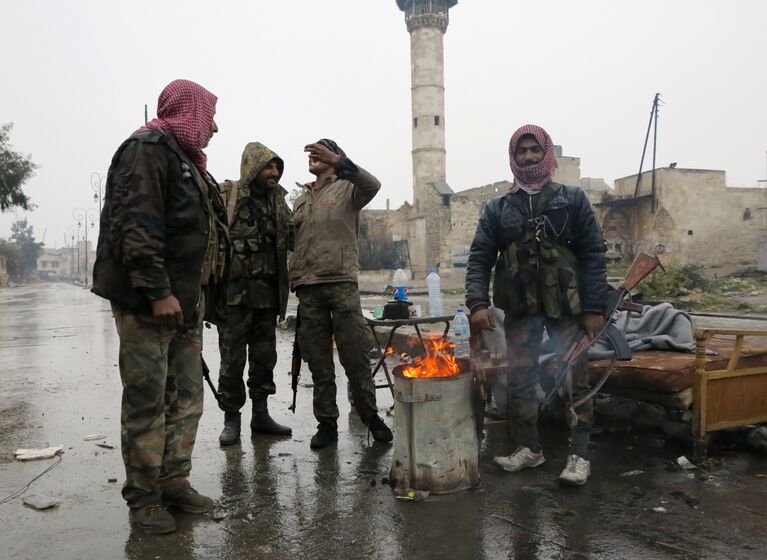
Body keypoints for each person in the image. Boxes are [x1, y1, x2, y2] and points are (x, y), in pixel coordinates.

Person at [92, 79, 228, 533]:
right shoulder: (147, 149)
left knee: (186, 397)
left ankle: (173, 481)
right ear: (189, 111)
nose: (214, 127)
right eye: (209, 116)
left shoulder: (188, 161)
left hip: (187, 303)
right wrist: (157, 291)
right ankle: (145, 497)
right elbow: (136, 226)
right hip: (151, 303)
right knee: (148, 400)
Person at [465, 124, 609, 486]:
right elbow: (480, 257)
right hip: (519, 309)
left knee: (575, 378)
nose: (527, 157)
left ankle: (579, 455)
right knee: (521, 378)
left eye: (533, 150)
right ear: (513, 157)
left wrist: (594, 309)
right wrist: (477, 302)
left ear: (546, 154)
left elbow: (593, 255)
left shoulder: (572, 199)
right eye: (520, 151)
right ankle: (529, 448)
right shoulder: (498, 208)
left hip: (568, 307)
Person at [290, 139, 393, 449]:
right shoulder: (302, 198)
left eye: (320, 152)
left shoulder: (348, 187)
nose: (313, 157)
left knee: (355, 356)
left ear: (334, 157)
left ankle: (370, 417)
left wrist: (340, 160)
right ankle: (327, 424)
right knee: (319, 361)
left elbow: (373, 184)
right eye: (311, 154)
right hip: (309, 288)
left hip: (340, 283)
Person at [216, 142, 293, 445]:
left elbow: (293, 237)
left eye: (277, 167)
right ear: (253, 167)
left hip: (266, 299)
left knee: (265, 360)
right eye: (269, 167)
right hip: (234, 298)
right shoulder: (229, 196)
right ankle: (231, 419)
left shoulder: (278, 202)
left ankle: (260, 416)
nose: (274, 173)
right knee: (232, 361)